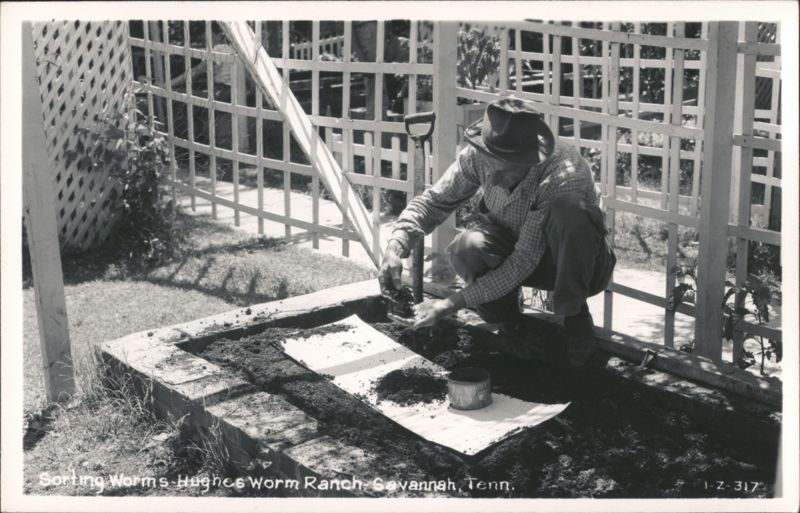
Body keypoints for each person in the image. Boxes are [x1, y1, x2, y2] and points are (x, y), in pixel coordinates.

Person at [378, 98, 616, 367]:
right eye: (489, 167)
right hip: (515, 246)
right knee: (467, 247)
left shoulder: (563, 176)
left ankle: (574, 313)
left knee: (571, 211)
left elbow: (523, 260)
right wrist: (396, 246)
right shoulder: (478, 155)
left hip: (570, 262)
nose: (492, 179)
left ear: (530, 161)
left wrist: (448, 304)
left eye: (504, 172)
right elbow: (433, 202)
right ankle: (509, 322)